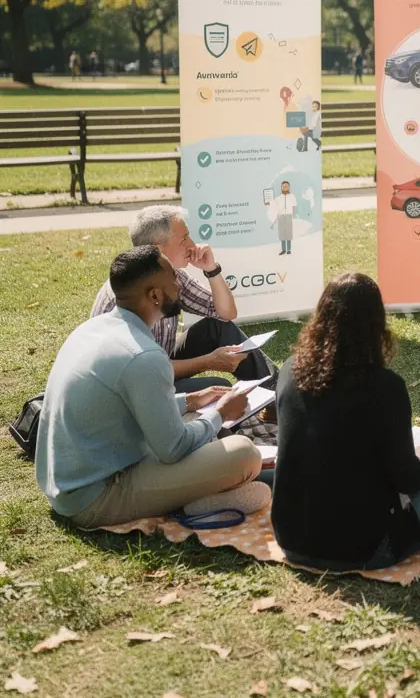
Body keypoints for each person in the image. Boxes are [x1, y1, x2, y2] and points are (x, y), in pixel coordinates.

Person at [36, 246, 267, 528]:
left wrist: (191, 400)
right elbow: (174, 448)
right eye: (174, 278)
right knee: (244, 454)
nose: (179, 284)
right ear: (155, 295)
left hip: (76, 483)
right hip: (97, 497)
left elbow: (127, 408)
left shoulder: (93, 329)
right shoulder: (144, 355)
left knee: (198, 416)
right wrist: (221, 413)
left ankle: (203, 493)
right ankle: (199, 501)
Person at [271, 272, 420, 570]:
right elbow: (407, 479)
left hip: (291, 539)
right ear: (376, 325)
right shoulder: (385, 387)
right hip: (362, 547)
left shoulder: (288, 370)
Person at [91, 205, 277, 394]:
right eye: (184, 239)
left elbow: (227, 313)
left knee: (217, 327)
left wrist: (211, 270)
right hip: (134, 387)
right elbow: (146, 371)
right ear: (158, 249)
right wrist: (209, 362)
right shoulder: (128, 295)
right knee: (219, 388)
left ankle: (275, 390)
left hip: (159, 360)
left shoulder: (172, 276)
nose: (192, 245)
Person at [270, 181, 296, 255]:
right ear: (281, 187)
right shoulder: (278, 198)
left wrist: (293, 216)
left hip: (289, 216)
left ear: (289, 187)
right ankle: (283, 249)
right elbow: (275, 208)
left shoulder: (292, 197)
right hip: (281, 216)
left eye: (286, 186)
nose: (285, 187)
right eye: (283, 186)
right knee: (282, 233)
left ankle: (289, 249)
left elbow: (294, 207)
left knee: (289, 232)